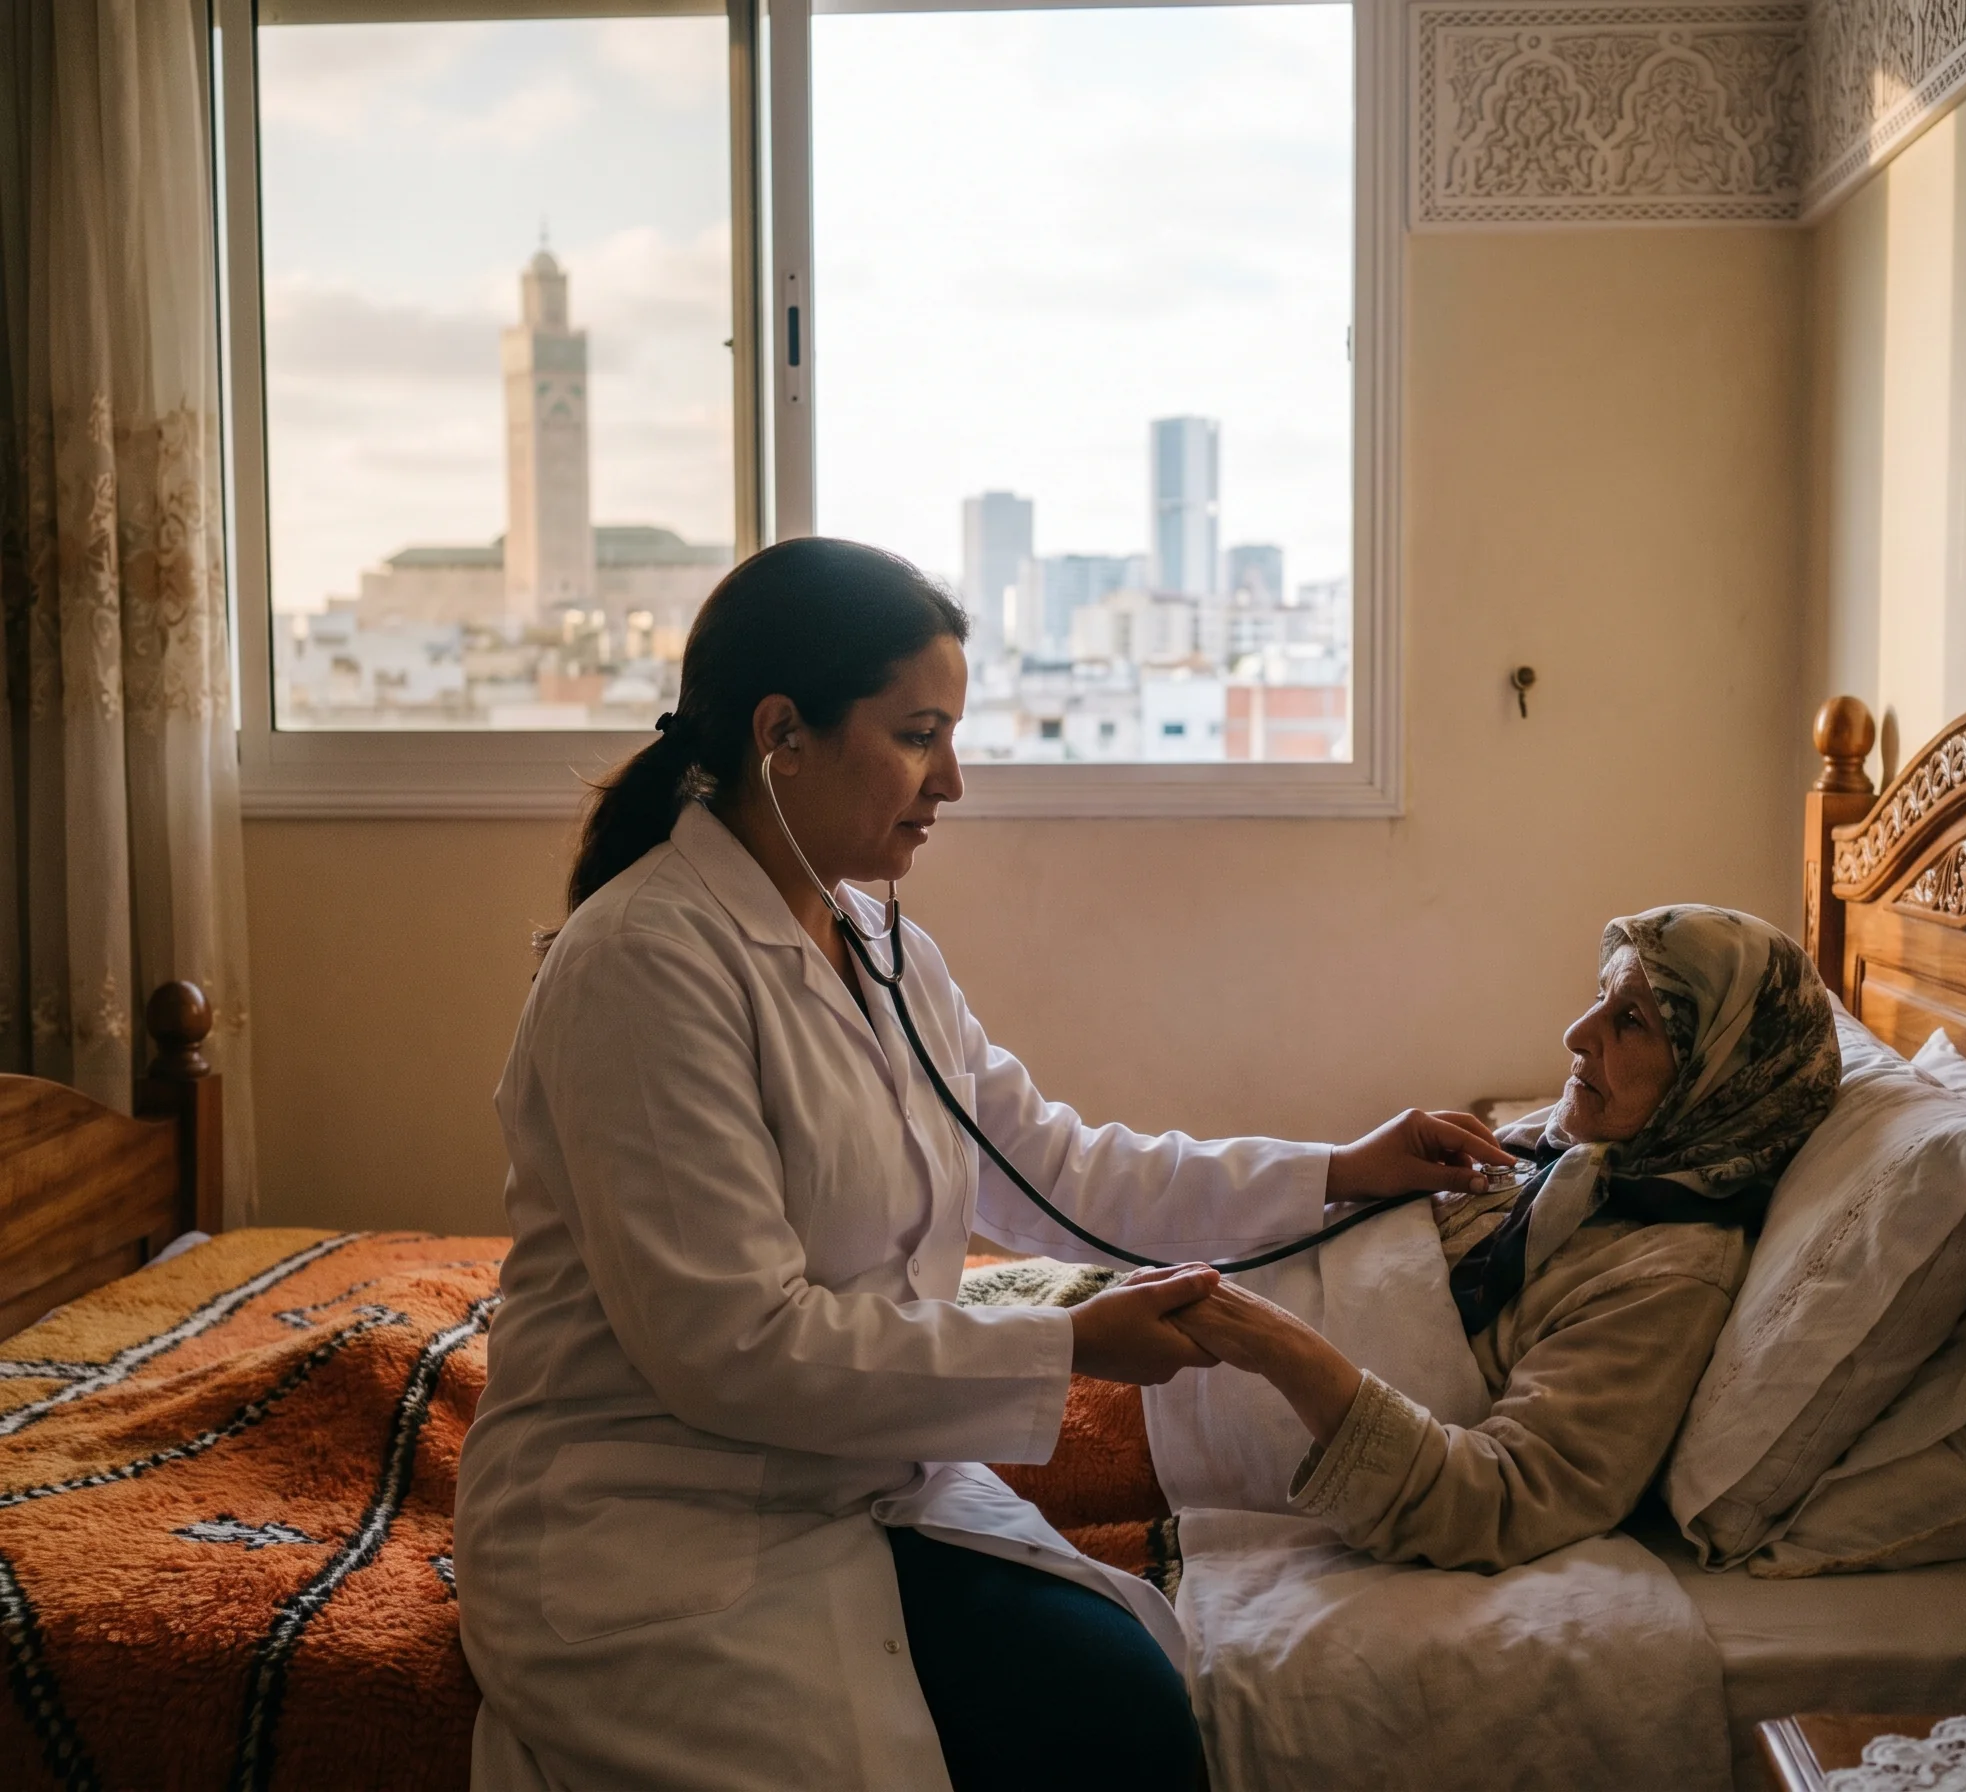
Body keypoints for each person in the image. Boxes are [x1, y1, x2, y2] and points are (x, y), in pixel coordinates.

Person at [452, 537, 1512, 1792]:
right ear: (781, 732)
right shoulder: (644, 962)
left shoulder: (876, 940)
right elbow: (731, 1344)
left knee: (1126, 1695)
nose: (952, 779)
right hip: (666, 1511)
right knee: (1089, 1727)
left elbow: (1056, 1165)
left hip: (856, 1479)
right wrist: (1073, 1349)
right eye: (917, 734)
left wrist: (1338, 1168)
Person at [1163, 906, 1843, 1572]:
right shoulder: (1574, 1147)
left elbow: (1508, 1499)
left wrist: (1280, 1346)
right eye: (1600, 998)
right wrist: (1350, 1170)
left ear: (1718, 1080)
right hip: (1180, 1331)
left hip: (1186, 1408)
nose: (1577, 1034)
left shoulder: (1667, 1275)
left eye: (1630, 1021)